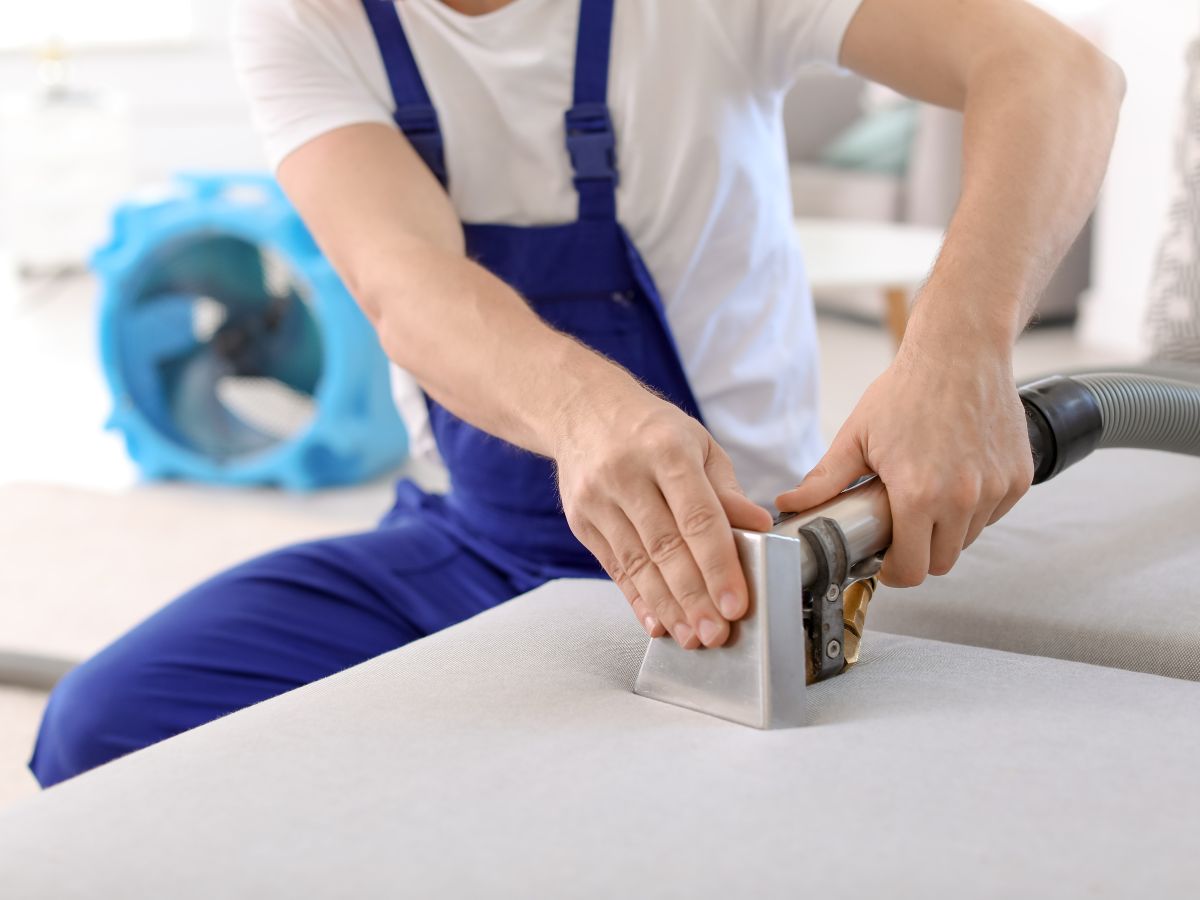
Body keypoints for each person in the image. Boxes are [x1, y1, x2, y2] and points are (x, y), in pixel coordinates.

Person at [29, 0, 1124, 787]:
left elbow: (1054, 70)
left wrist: (958, 349)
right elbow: (403, 284)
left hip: (744, 572)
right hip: (475, 546)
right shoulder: (302, 19)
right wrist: (592, 417)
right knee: (103, 726)